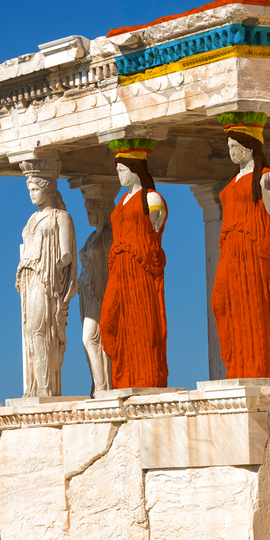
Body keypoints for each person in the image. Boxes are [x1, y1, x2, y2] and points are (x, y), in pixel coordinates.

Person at [211, 112, 270, 379]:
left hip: (252, 253)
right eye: (229, 147)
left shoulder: (268, 178)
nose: (231, 153)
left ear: (250, 146)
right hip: (230, 251)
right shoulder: (234, 180)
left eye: (235, 147)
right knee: (221, 303)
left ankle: (254, 368)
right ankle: (237, 366)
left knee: (252, 309)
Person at [100, 138, 168, 388]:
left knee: (141, 325)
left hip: (139, 269)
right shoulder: (123, 201)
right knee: (108, 322)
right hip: (119, 269)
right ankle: (124, 376)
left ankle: (144, 378)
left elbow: (155, 233)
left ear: (134, 168)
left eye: (122, 169)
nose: (119, 175)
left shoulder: (152, 198)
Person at [16, 175, 77, 397]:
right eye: (29, 189)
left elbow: (66, 254)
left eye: (35, 189)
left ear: (48, 189)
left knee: (41, 329)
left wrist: (50, 269)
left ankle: (46, 387)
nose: (31, 193)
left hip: (47, 279)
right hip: (29, 278)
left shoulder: (61, 217)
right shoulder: (31, 219)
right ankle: (33, 387)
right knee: (31, 331)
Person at [77, 184, 118, 395]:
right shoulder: (91, 237)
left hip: (100, 291)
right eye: (87, 212)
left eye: (92, 212)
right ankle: (97, 384)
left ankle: (103, 387)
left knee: (90, 337)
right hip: (86, 292)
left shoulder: (108, 237)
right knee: (90, 339)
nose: (89, 216)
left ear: (102, 211)